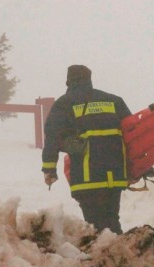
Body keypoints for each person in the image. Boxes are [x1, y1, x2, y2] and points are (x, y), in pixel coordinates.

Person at [41, 65, 132, 234]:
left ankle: (107, 255)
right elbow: (133, 133)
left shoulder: (64, 104)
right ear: (89, 79)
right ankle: (121, 252)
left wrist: (49, 169)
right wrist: (138, 167)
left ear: (68, 81)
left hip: (87, 176)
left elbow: (52, 137)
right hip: (115, 176)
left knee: (95, 225)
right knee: (111, 218)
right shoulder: (114, 101)